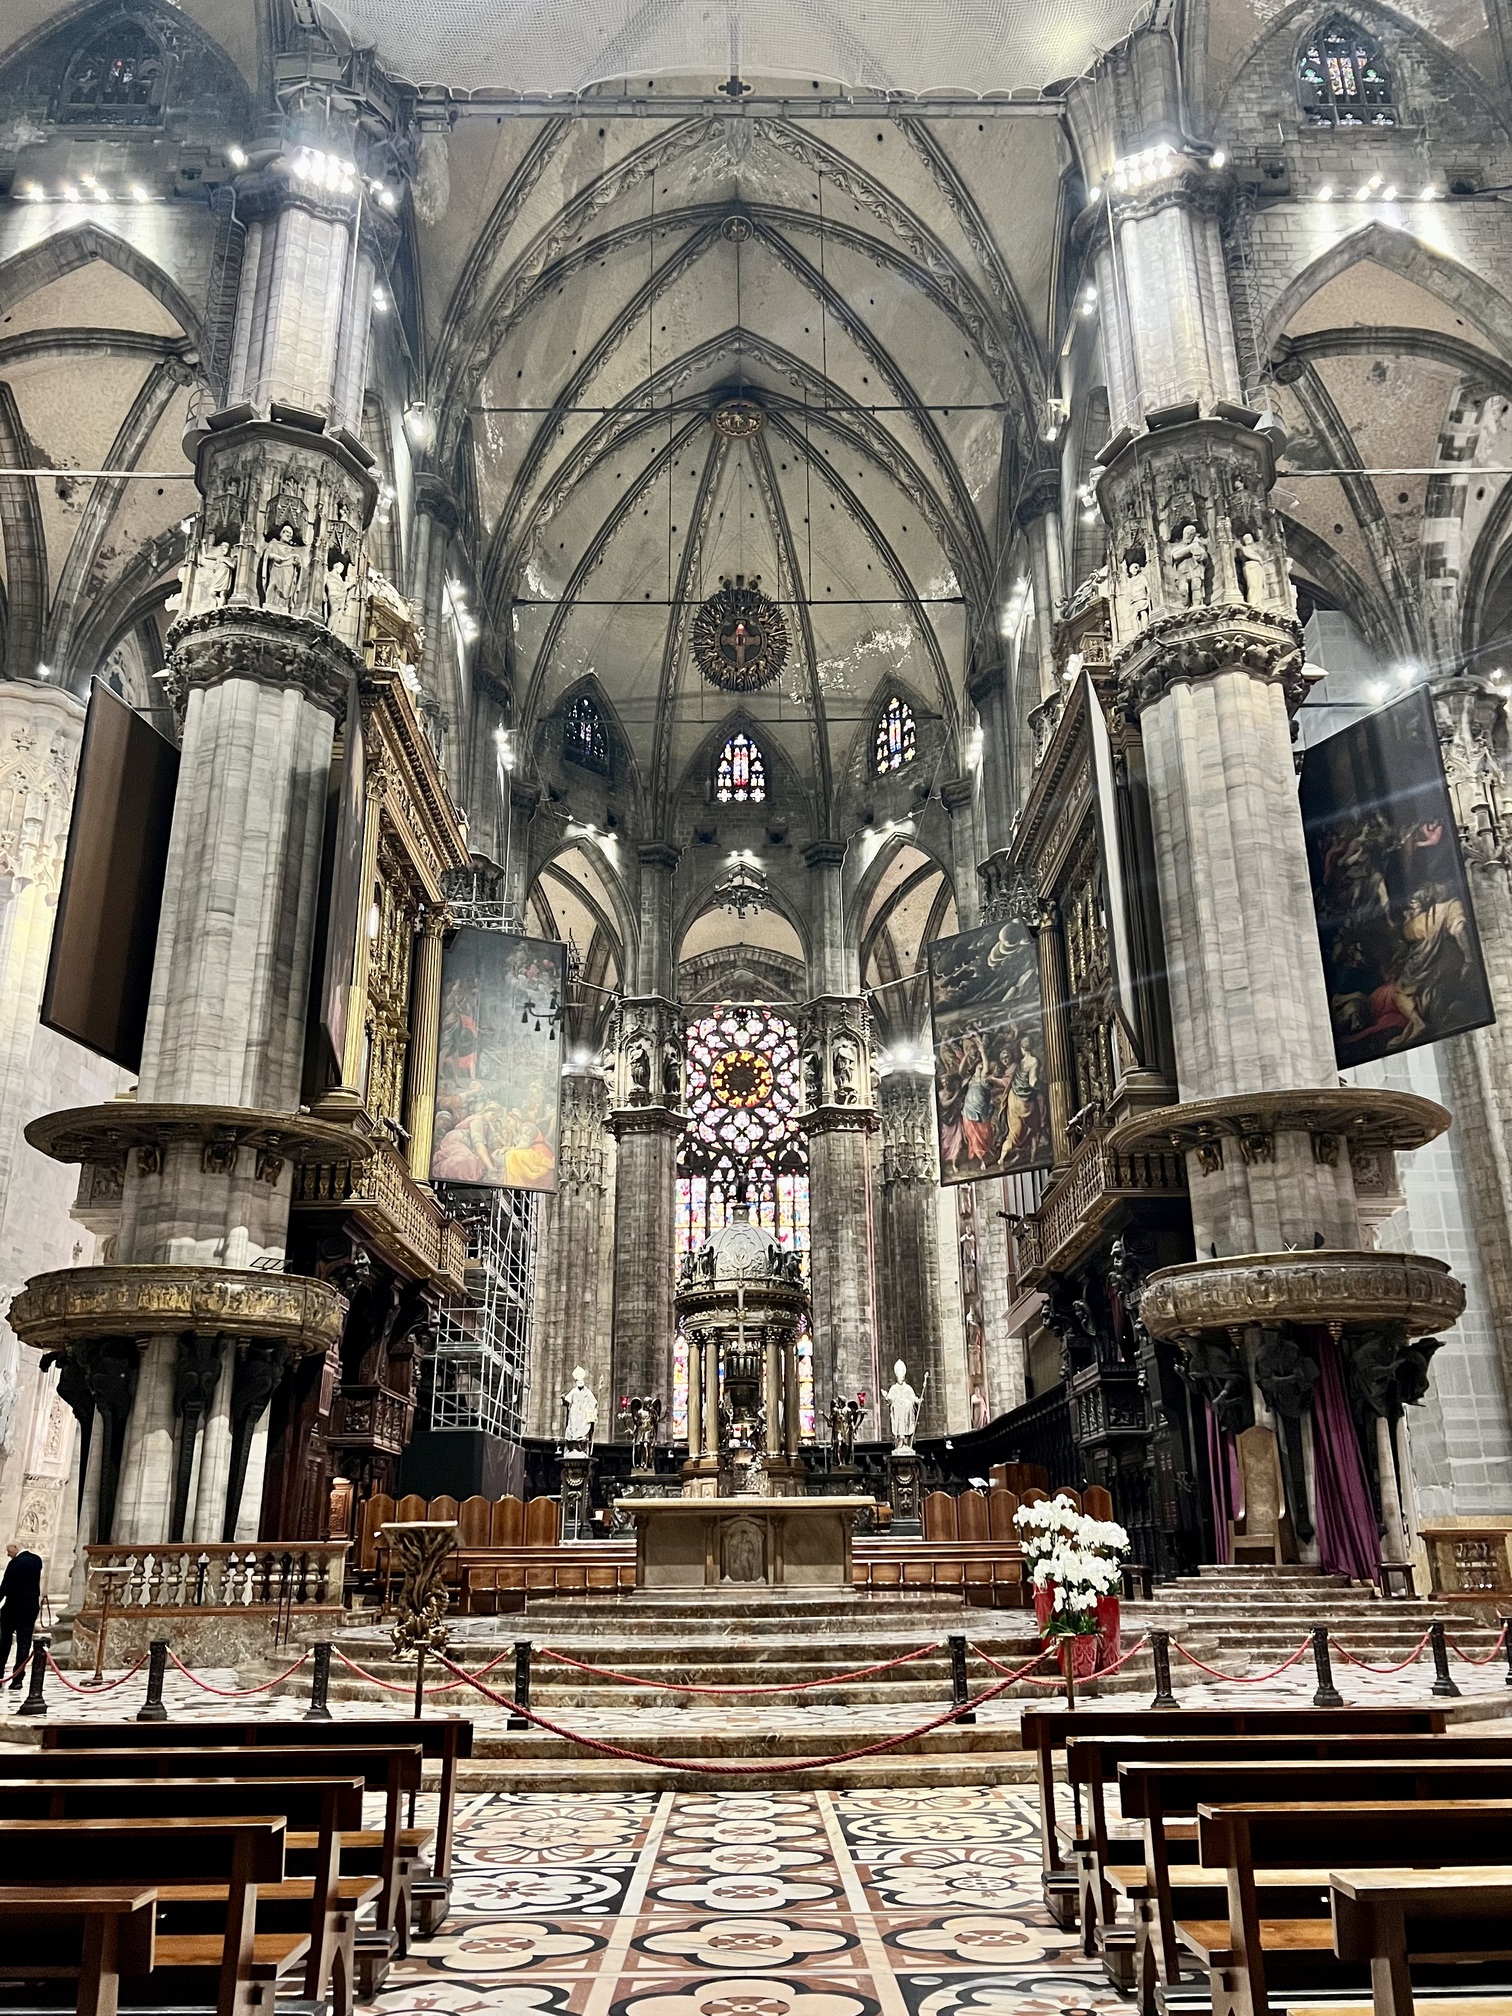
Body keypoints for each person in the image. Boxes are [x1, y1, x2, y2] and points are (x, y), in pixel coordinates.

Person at [0, 1542, 43, 1690]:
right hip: (30, 1608)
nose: (7, 1554)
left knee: (4, 1642)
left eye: (8, 1550)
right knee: (24, 1643)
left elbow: (5, 1587)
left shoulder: (15, 1563)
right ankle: (18, 1679)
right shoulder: (37, 1560)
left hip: (13, 1608)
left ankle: (0, 1675)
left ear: (16, 1548)